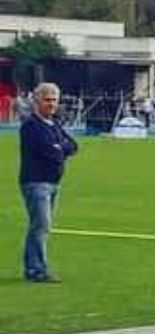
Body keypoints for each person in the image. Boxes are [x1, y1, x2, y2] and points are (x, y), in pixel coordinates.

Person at [18, 82, 78, 284]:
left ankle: (33, 268)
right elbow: (51, 152)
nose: (51, 104)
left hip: (52, 182)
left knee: (40, 226)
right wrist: (61, 148)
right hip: (36, 182)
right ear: (36, 101)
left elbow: (73, 146)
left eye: (54, 100)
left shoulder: (55, 125)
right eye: (47, 100)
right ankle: (37, 269)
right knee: (42, 226)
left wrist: (60, 148)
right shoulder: (32, 126)